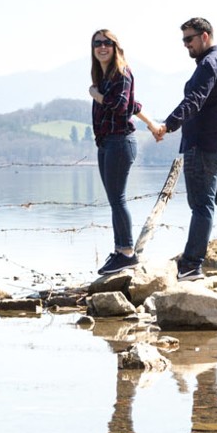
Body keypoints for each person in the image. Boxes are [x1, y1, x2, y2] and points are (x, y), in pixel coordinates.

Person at [150, 16, 217, 281]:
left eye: (189, 39)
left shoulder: (208, 64)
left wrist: (168, 125)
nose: (185, 45)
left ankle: (192, 265)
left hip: (204, 145)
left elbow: (194, 100)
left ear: (205, 36)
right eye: (183, 40)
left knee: (202, 206)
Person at [88, 29, 161, 274]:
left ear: (115, 47)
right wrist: (152, 125)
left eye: (107, 43)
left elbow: (120, 106)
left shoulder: (122, 72)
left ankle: (127, 253)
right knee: (114, 199)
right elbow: (133, 105)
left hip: (120, 142)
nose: (102, 47)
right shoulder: (104, 76)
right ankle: (120, 251)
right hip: (105, 143)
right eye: (97, 43)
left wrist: (96, 95)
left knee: (117, 199)